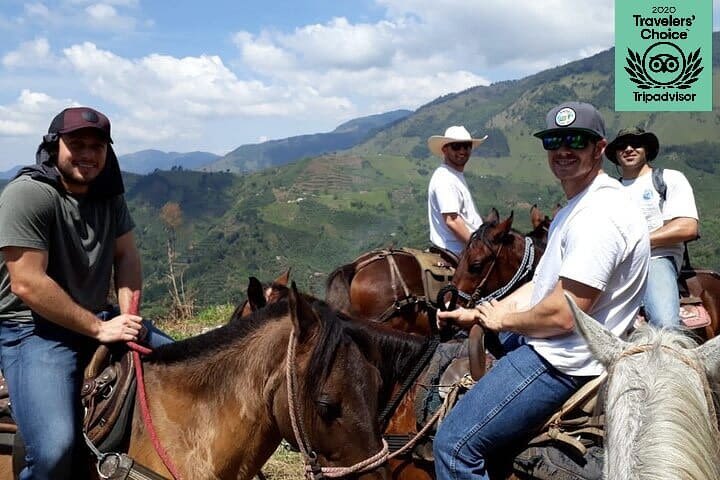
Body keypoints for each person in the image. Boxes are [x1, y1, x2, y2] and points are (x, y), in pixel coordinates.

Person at [433, 102, 650, 479]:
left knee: (453, 445)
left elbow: (564, 315)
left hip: (564, 360)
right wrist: (483, 310)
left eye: (575, 141)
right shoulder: (578, 204)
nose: (563, 150)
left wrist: (504, 321)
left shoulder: (600, 214)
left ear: (599, 148)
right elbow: (544, 283)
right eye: (554, 141)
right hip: (560, 346)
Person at [0, 107, 174, 479]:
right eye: (75, 144)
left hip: (98, 315)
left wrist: (129, 316)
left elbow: (126, 255)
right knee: (52, 451)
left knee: (192, 362)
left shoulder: (108, 195)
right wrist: (99, 330)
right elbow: (27, 282)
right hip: (32, 328)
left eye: (97, 146)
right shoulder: (29, 195)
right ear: (52, 147)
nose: (87, 154)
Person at [606, 127, 699, 329]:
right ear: (615, 154)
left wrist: (637, 243)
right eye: (622, 145)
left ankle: (672, 356)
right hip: (615, 265)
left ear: (646, 149)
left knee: (665, 323)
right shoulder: (609, 191)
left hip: (655, 259)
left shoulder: (669, 178)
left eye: (636, 143)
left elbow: (688, 226)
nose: (629, 149)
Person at [427, 126, 487, 255]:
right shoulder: (445, 179)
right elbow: (452, 220)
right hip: (458, 251)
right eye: (456, 146)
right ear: (444, 149)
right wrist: (479, 248)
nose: (462, 150)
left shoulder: (453, 175)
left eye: (466, 146)